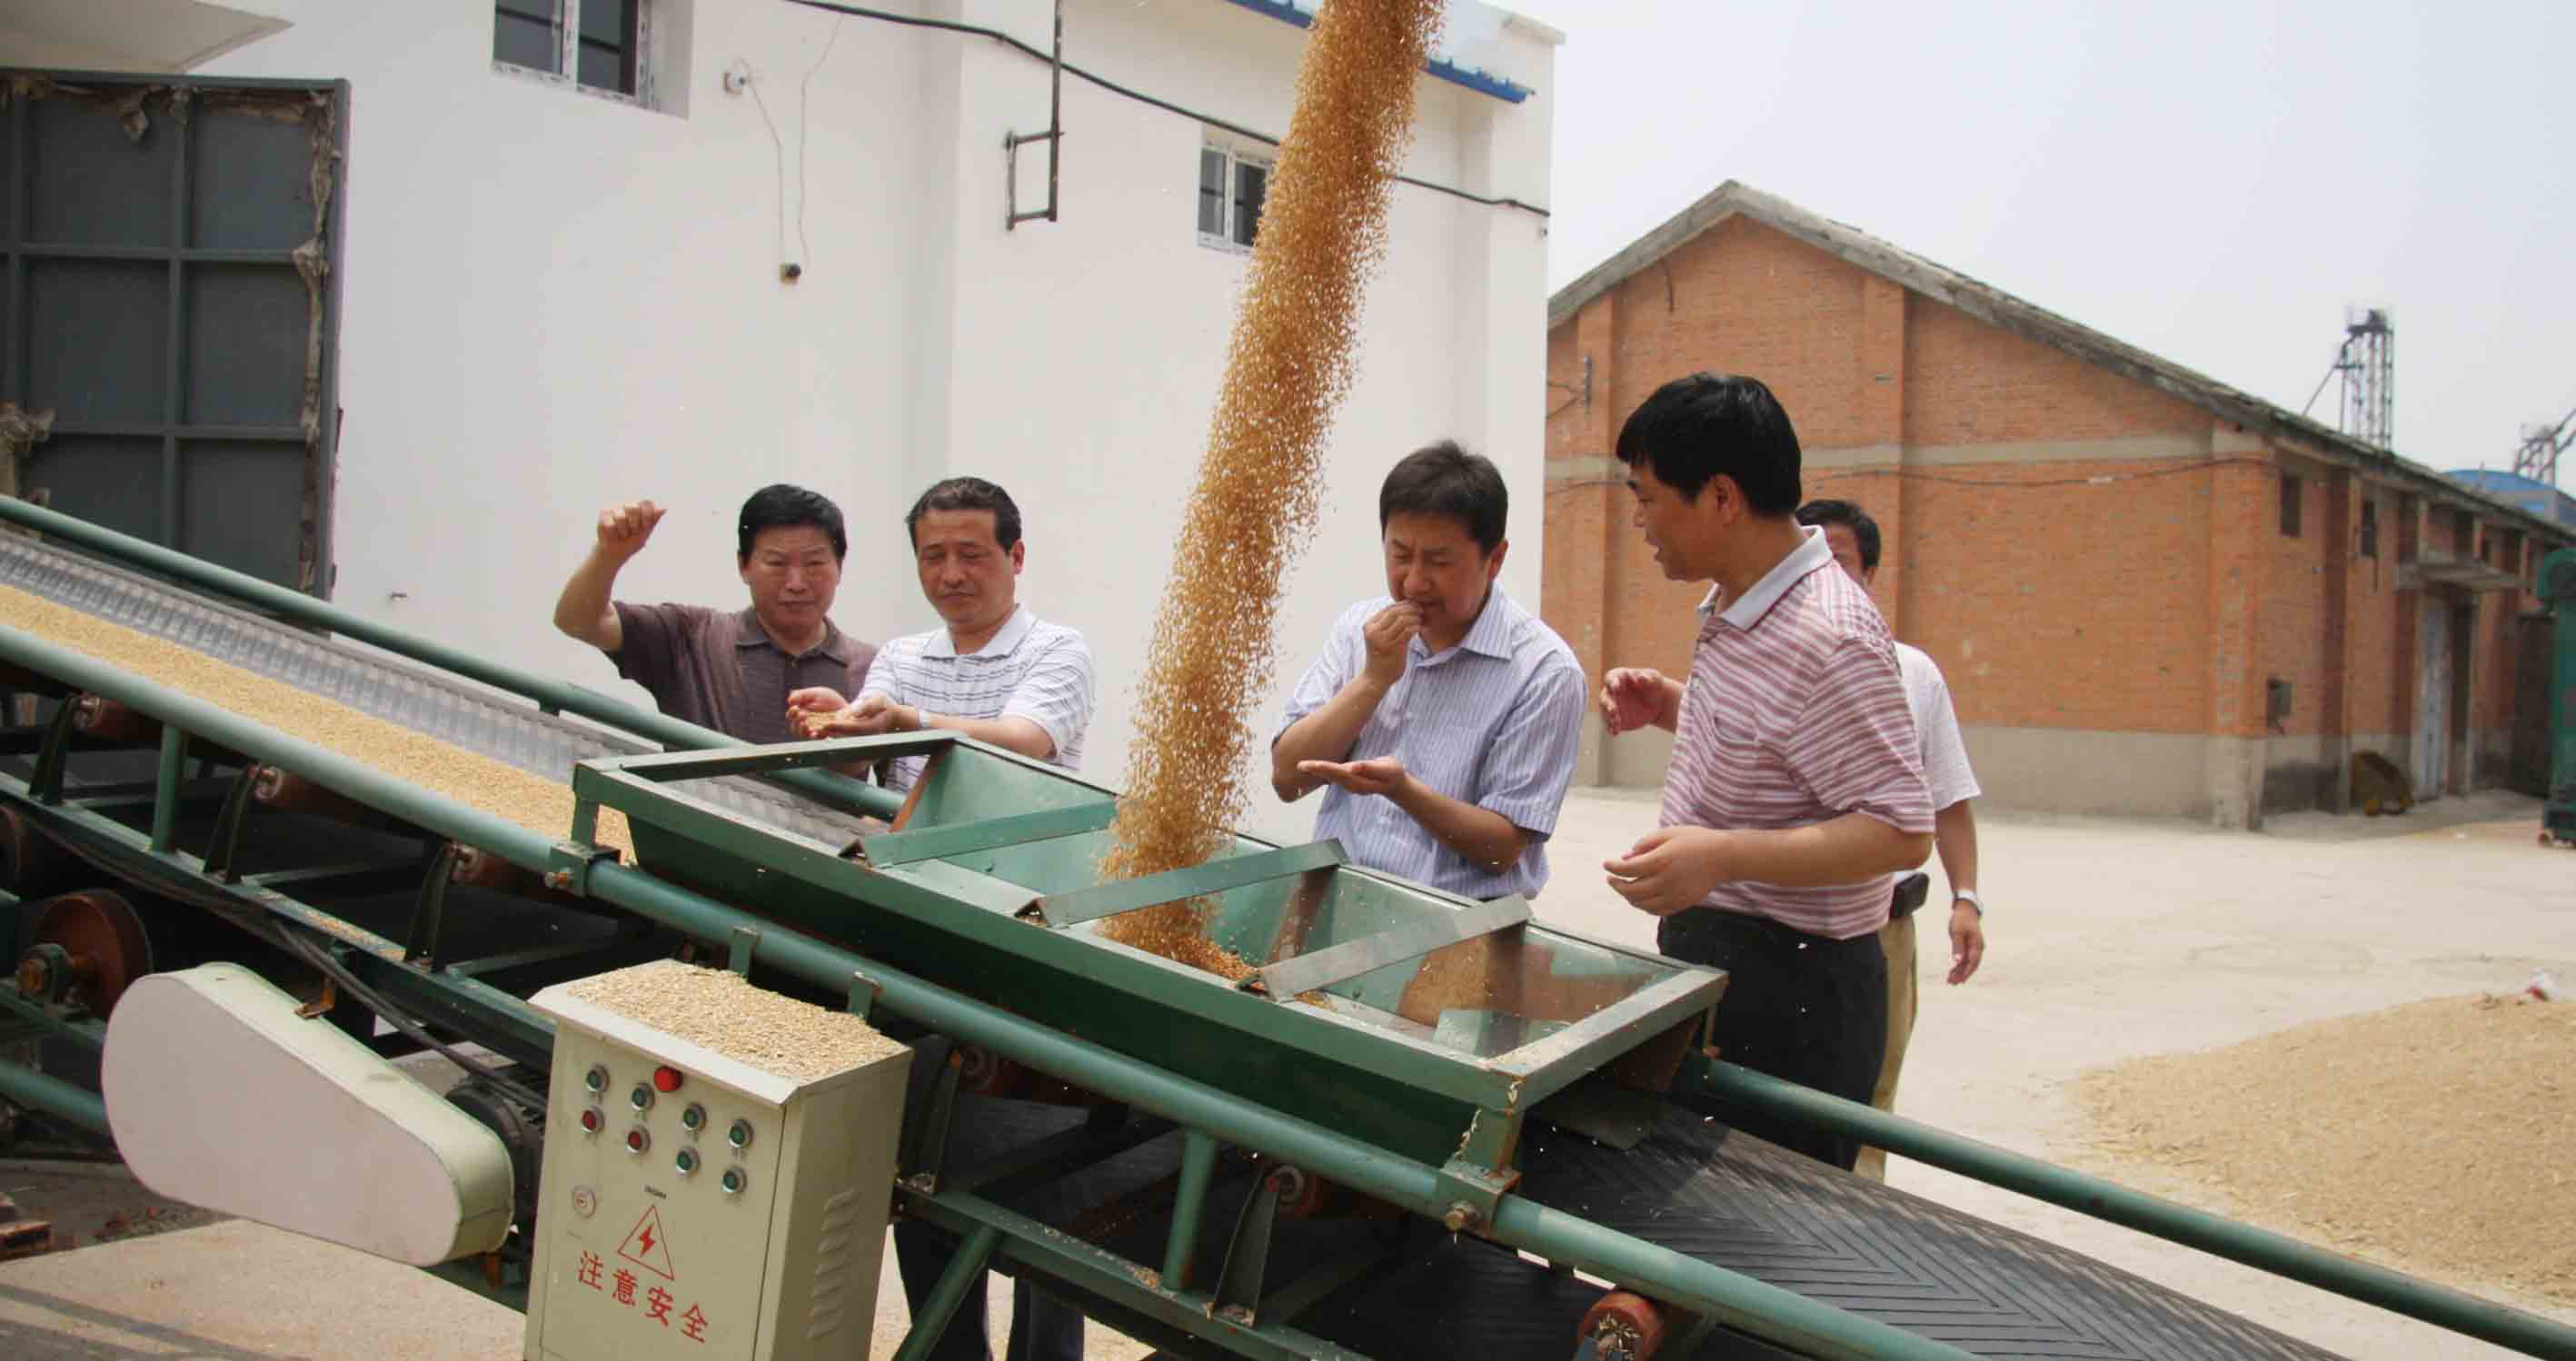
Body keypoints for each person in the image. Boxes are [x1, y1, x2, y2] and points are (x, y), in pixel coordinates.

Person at [785, 475, 1092, 1361]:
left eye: (971, 554)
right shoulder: (903, 657)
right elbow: (870, 767)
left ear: (1015, 557)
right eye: (933, 556)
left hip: (1028, 940)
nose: (951, 574)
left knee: (1046, 1156)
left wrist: (906, 719)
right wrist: (841, 725)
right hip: (919, 940)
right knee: (917, 1151)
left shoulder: (1058, 650)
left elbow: (1027, 742)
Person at [1595, 373, 1933, 1173]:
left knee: (1760, 1229)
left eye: (1647, 498)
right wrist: (1672, 704)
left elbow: (1899, 830)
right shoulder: (1740, 597)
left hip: (1795, 996)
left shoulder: (1830, 635)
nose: (1638, 521)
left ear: (1720, 496)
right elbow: (1786, 743)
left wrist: (1721, 856)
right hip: (1728, 964)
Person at [1268, 442, 1586, 899]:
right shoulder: (1359, 629)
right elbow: (1287, 779)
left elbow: (1502, 848)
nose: (1415, 582)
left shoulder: (1544, 672)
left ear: (1495, 559)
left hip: (1463, 923)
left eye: (1439, 561)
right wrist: (1374, 679)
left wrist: (1402, 790)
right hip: (1338, 900)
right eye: (1400, 556)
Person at [1795, 497, 1987, 1182]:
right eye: (1808, 558)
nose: (1822, 575)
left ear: (1870, 574)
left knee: (1870, 1095)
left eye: (1839, 560)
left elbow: (1948, 801)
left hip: (1882, 926)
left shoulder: (1913, 674)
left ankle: (1855, 1220)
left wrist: (1966, 899)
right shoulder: (1763, 657)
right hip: (1786, 919)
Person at [552, 485, 874, 744]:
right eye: (777, 563)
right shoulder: (690, 636)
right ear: (743, 566)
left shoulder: (876, 669)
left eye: (815, 564)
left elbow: (898, 787)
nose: (796, 583)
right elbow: (578, 621)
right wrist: (608, 555)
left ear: (839, 567)